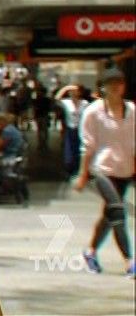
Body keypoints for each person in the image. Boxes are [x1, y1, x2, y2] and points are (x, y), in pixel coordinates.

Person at [74, 67, 135, 278]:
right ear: (103, 87)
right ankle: (129, 260)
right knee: (118, 210)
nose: (116, 87)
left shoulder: (132, 111)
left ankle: (90, 252)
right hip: (101, 169)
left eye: (119, 83)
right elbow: (87, 146)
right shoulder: (93, 112)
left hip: (124, 170)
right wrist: (82, 175)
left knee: (109, 215)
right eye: (111, 84)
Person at [56, 82, 90, 178]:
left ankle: (79, 170)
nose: (73, 92)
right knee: (69, 151)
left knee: (80, 150)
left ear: (80, 92)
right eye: (71, 91)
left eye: (75, 90)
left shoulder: (84, 103)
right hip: (70, 130)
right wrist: (66, 88)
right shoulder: (66, 102)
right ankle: (69, 170)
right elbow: (56, 99)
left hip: (81, 130)